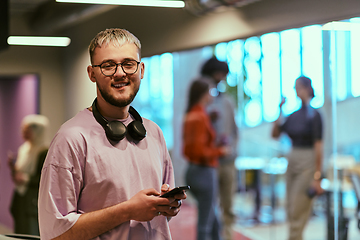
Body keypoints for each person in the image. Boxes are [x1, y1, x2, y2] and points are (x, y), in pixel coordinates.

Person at [38, 28, 186, 240]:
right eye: (108, 65)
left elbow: (158, 214)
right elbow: (54, 234)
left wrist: (166, 205)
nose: (120, 73)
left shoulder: (153, 133)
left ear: (141, 69)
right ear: (92, 73)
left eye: (128, 64)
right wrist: (128, 211)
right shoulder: (71, 139)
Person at [272, 76, 324, 240]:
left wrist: (317, 177)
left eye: (299, 87)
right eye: (295, 87)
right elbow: (275, 134)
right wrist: (280, 109)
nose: (297, 91)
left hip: (307, 161)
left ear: (308, 88)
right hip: (292, 159)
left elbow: (318, 146)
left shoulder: (315, 115)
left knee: (298, 209)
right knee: (290, 209)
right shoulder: (294, 115)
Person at [183, 79, 229, 240]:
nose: (213, 95)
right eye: (210, 91)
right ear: (204, 94)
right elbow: (199, 151)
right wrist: (220, 151)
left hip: (193, 170)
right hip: (203, 171)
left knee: (213, 221)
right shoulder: (200, 116)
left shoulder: (192, 114)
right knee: (205, 226)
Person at [200, 57, 239, 240]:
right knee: (210, 205)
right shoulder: (203, 105)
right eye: (217, 74)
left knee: (228, 204)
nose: (220, 77)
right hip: (211, 162)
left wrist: (232, 148)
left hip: (228, 161)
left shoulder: (228, 102)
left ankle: (229, 236)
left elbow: (235, 130)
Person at [8, 114, 49, 236]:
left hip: (32, 200)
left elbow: (43, 179)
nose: (23, 133)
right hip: (20, 198)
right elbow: (19, 174)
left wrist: (25, 179)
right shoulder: (24, 149)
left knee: (29, 232)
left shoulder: (44, 151)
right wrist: (13, 167)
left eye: (27, 130)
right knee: (19, 231)